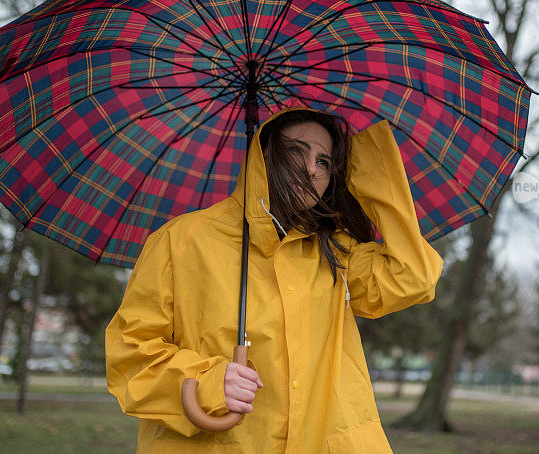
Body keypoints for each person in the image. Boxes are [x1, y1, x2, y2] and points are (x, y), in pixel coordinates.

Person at [105, 106, 444, 453]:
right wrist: (206, 382)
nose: (312, 169)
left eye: (325, 162)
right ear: (264, 155)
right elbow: (130, 355)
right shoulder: (180, 241)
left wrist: (367, 167)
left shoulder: (335, 253)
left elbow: (413, 277)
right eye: (297, 150)